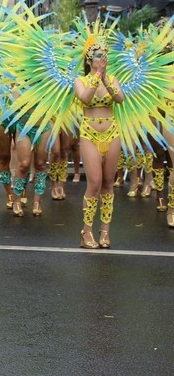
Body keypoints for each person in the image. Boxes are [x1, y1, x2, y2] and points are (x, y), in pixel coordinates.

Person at [73, 37, 124, 249]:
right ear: (89, 60)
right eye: (98, 55)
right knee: (94, 183)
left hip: (111, 131)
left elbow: (120, 99)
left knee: (108, 184)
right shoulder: (80, 81)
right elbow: (85, 98)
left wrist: (105, 80)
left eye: (105, 54)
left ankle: (105, 231)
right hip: (89, 134)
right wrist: (97, 77)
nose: (103, 57)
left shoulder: (112, 79)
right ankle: (86, 232)